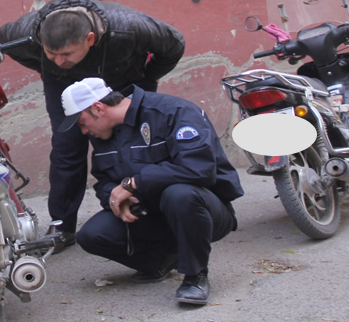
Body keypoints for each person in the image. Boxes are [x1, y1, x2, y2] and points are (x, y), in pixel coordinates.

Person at [0, 0, 185, 252]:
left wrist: (145, 79)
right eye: (51, 53)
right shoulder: (26, 32)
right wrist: (50, 67)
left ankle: (147, 211)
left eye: (65, 54)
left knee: (133, 144)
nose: (59, 58)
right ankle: (62, 227)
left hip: (122, 79)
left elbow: (174, 44)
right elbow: (4, 42)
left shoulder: (128, 27)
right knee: (66, 147)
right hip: (64, 84)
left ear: (90, 39)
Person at [60, 77, 244, 304]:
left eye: (81, 122)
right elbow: (104, 180)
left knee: (179, 194)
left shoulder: (173, 112)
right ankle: (164, 260)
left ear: (98, 108)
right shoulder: (104, 134)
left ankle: (195, 276)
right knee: (91, 236)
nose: (84, 130)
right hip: (150, 212)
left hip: (203, 211)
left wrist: (134, 183)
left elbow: (200, 169)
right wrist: (115, 198)